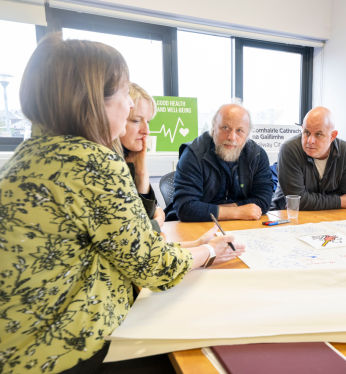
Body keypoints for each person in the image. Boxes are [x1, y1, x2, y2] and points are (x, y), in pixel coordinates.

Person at [0, 35, 245, 374]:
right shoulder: (92, 162)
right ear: (91, 101)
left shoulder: (27, 156)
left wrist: (196, 244)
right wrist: (211, 251)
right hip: (67, 354)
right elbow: (153, 268)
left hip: (19, 349)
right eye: (123, 95)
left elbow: (114, 247)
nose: (130, 108)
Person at [165, 100, 274, 222]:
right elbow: (185, 208)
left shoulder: (257, 155)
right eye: (225, 128)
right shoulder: (193, 154)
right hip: (196, 227)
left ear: (247, 135)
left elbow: (263, 201)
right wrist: (237, 211)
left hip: (240, 227)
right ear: (213, 128)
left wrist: (209, 210)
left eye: (239, 130)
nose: (232, 137)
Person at [271, 107, 346, 211]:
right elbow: (297, 201)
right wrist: (339, 201)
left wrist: (312, 201)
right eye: (306, 132)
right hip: (288, 216)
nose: (310, 140)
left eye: (318, 134)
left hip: (332, 215)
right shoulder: (290, 150)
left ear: (332, 136)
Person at [115, 82, 164, 232]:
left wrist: (141, 173)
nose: (146, 131)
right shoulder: (110, 162)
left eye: (148, 121)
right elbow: (137, 232)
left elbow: (145, 217)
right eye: (136, 121)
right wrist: (157, 222)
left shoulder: (130, 156)